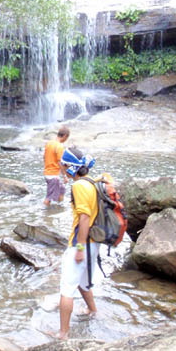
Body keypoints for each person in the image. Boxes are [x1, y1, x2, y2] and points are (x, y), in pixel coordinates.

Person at [54, 146, 98, 340]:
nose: (61, 167)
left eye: (63, 164)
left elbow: (84, 218)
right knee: (83, 282)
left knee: (66, 289)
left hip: (81, 244)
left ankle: (63, 334)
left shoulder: (78, 186)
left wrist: (79, 248)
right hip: (94, 243)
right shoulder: (92, 183)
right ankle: (93, 310)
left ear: (70, 166)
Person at [43, 126, 70, 206]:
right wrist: (65, 176)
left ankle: (59, 208)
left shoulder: (49, 143)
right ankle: (45, 213)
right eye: (67, 138)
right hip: (52, 175)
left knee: (62, 190)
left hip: (48, 173)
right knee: (49, 197)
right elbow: (60, 163)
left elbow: (44, 157)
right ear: (65, 136)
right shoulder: (59, 146)